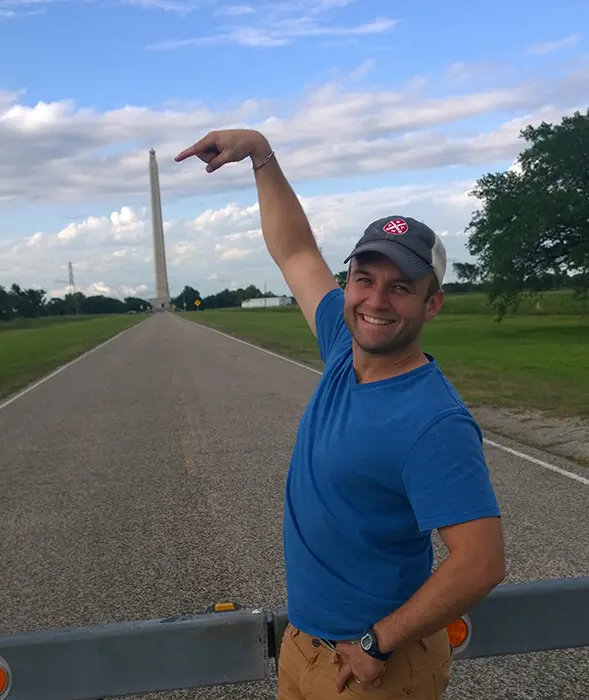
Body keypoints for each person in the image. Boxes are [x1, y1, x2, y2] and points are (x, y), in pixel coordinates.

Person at [175, 129, 506, 700]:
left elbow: (482, 561)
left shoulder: (433, 421)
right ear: (349, 282)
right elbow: (296, 252)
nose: (375, 300)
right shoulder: (341, 344)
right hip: (305, 645)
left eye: (400, 288)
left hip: (374, 668)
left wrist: (380, 642)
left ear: (432, 303)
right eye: (364, 279)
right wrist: (260, 152)